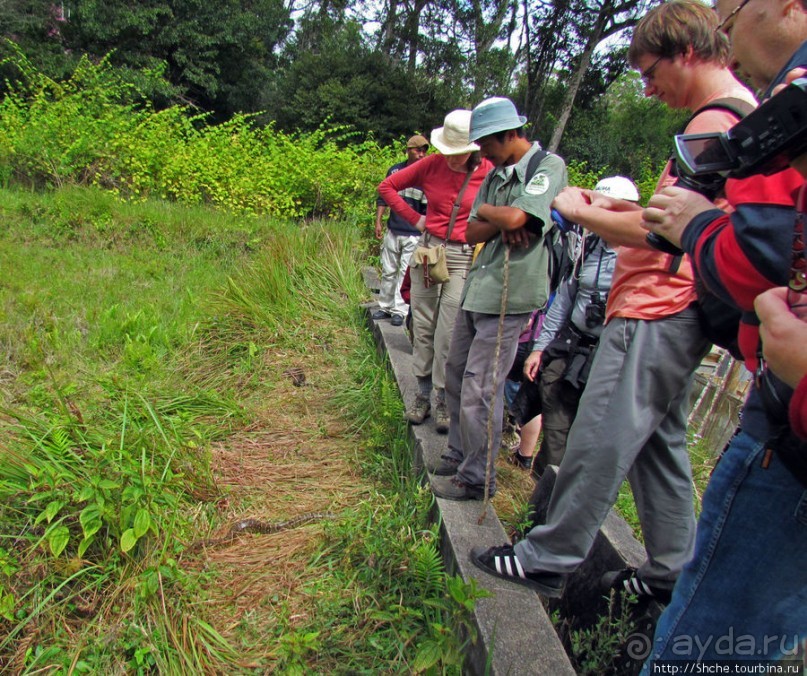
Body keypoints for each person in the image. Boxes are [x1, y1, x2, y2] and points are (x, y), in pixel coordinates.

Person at [468, 0, 755, 601]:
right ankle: (671, 569)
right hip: (680, 305)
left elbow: (667, 235)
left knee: (598, 436)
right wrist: (618, 207)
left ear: (687, 52)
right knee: (659, 446)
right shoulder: (734, 118)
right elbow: (680, 219)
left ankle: (549, 556)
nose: (649, 90)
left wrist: (578, 212)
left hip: (655, 307)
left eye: (651, 72)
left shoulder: (712, 126)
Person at [638, 1, 807, 663]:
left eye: (728, 15)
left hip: (786, 437)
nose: (725, 38)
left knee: (700, 649)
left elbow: (759, 252)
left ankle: (557, 556)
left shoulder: (763, 113)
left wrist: (694, 226)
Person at [429, 96, 568, 501]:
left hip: (512, 293)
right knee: (455, 374)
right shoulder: (495, 174)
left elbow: (517, 220)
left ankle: (478, 477)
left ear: (509, 134)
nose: (482, 152)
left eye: (487, 143)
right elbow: (472, 232)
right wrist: (499, 214)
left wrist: (500, 216)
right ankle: (458, 452)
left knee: (480, 387)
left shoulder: (547, 167)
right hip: (479, 287)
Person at [378, 111, 493, 431]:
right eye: (448, 152)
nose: (452, 160)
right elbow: (387, 187)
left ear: (474, 148)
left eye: (458, 154)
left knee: (450, 330)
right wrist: (416, 221)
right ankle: (423, 395)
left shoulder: (489, 172)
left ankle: (442, 397)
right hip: (429, 251)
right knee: (424, 326)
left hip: (464, 255)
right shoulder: (431, 165)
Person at [524, 176, 638, 478]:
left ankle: (562, 493)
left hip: (609, 356)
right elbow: (563, 299)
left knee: (588, 433)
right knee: (556, 421)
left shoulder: (639, 255)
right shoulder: (588, 246)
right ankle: (543, 495)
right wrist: (539, 347)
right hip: (572, 347)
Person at [372, 135, 429, 327]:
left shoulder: (426, 177)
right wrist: (378, 221)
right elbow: (383, 198)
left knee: (405, 273)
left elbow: (427, 210)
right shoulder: (395, 170)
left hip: (413, 233)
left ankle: (399, 310)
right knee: (388, 270)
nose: (421, 154)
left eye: (424, 150)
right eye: (417, 150)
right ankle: (385, 306)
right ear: (408, 150)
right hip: (393, 229)